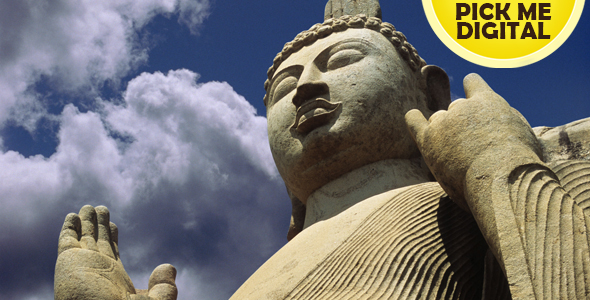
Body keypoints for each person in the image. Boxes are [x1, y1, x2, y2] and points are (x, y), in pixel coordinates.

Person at [54, 3, 590, 300]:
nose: (306, 89)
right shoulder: (262, 273)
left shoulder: (464, 198)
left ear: (432, 93)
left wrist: (501, 164)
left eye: (342, 61)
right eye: (285, 87)